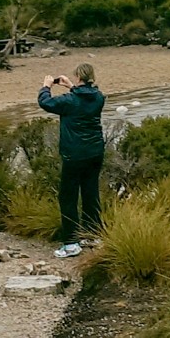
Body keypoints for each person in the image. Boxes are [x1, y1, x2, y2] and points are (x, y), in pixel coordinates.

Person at [39, 64, 106, 258]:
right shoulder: (99, 97)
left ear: (78, 77)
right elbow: (86, 97)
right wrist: (71, 86)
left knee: (68, 197)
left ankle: (71, 242)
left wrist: (46, 86)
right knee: (90, 193)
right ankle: (93, 234)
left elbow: (46, 103)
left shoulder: (69, 101)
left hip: (74, 154)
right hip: (95, 152)